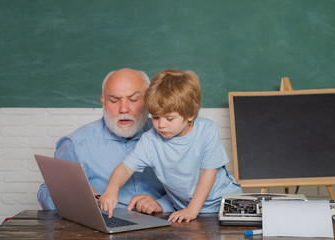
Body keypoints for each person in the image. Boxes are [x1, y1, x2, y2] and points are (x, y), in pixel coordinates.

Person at [99, 69, 242, 222]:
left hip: (224, 203)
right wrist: (111, 190)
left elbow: (208, 175)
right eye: (155, 117)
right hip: (184, 208)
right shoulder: (151, 140)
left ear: (190, 115)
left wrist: (192, 210)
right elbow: (125, 168)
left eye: (169, 118)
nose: (161, 125)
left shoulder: (207, 131)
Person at [37, 68, 174, 214]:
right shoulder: (76, 144)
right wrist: (72, 197)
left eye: (133, 100)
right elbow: (46, 192)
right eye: (114, 100)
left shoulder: (168, 134)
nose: (123, 109)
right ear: (102, 100)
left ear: (148, 100)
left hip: (162, 225)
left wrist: (161, 204)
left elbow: (191, 186)